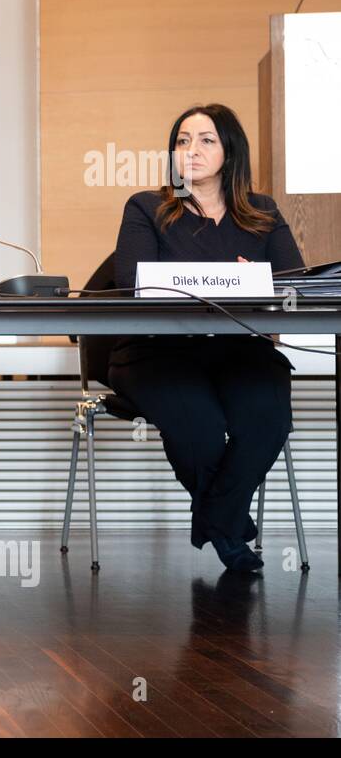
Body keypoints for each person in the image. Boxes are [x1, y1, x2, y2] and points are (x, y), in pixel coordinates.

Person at [110, 103, 304, 573]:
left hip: (239, 347)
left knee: (266, 421)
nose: (190, 150)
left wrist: (264, 286)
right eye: (182, 141)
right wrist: (235, 278)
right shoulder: (147, 208)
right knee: (196, 427)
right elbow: (133, 281)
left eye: (205, 140)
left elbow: (293, 286)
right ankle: (232, 532)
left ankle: (217, 521)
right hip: (158, 350)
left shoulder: (262, 212)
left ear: (230, 150)